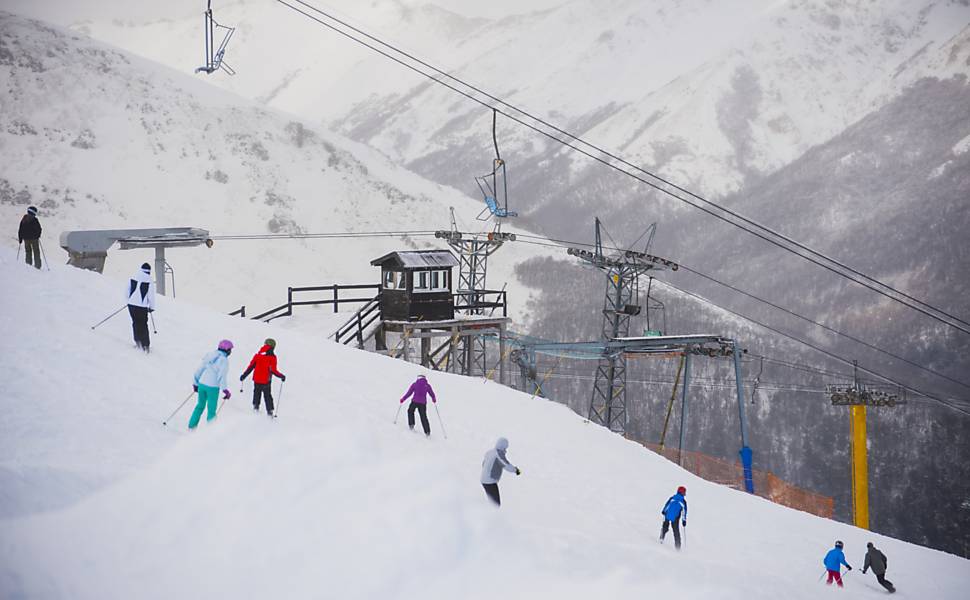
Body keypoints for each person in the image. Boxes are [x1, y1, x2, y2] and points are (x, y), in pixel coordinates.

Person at [189, 340, 233, 429]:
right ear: (227, 350)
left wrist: (195, 383)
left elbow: (200, 369)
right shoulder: (223, 360)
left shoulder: (210, 355)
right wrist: (225, 390)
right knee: (211, 410)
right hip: (212, 388)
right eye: (230, 350)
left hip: (202, 384)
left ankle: (191, 426)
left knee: (200, 406)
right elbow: (222, 376)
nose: (230, 352)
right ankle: (211, 432)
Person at [240, 338, 286, 416]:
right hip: (266, 381)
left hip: (256, 380)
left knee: (256, 393)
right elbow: (273, 370)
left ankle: (255, 408)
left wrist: (244, 375)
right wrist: (281, 376)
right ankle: (270, 412)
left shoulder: (258, 355)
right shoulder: (272, 357)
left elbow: (251, 367)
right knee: (267, 396)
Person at [480, 437, 520, 506]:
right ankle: (491, 515)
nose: (506, 449)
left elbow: (483, 464)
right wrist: (516, 470)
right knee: (496, 504)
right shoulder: (498, 454)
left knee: (492, 502)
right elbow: (506, 465)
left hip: (484, 480)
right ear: (503, 446)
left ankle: (487, 514)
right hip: (490, 481)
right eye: (506, 447)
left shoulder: (489, 452)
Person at [126, 263, 156, 352]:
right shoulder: (149, 279)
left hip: (131, 305)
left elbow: (127, 290)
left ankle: (137, 341)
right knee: (143, 324)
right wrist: (151, 307)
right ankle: (145, 345)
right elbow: (151, 295)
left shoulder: (133, 276)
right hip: (142, 307)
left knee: (135, 322)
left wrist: (129, 301)